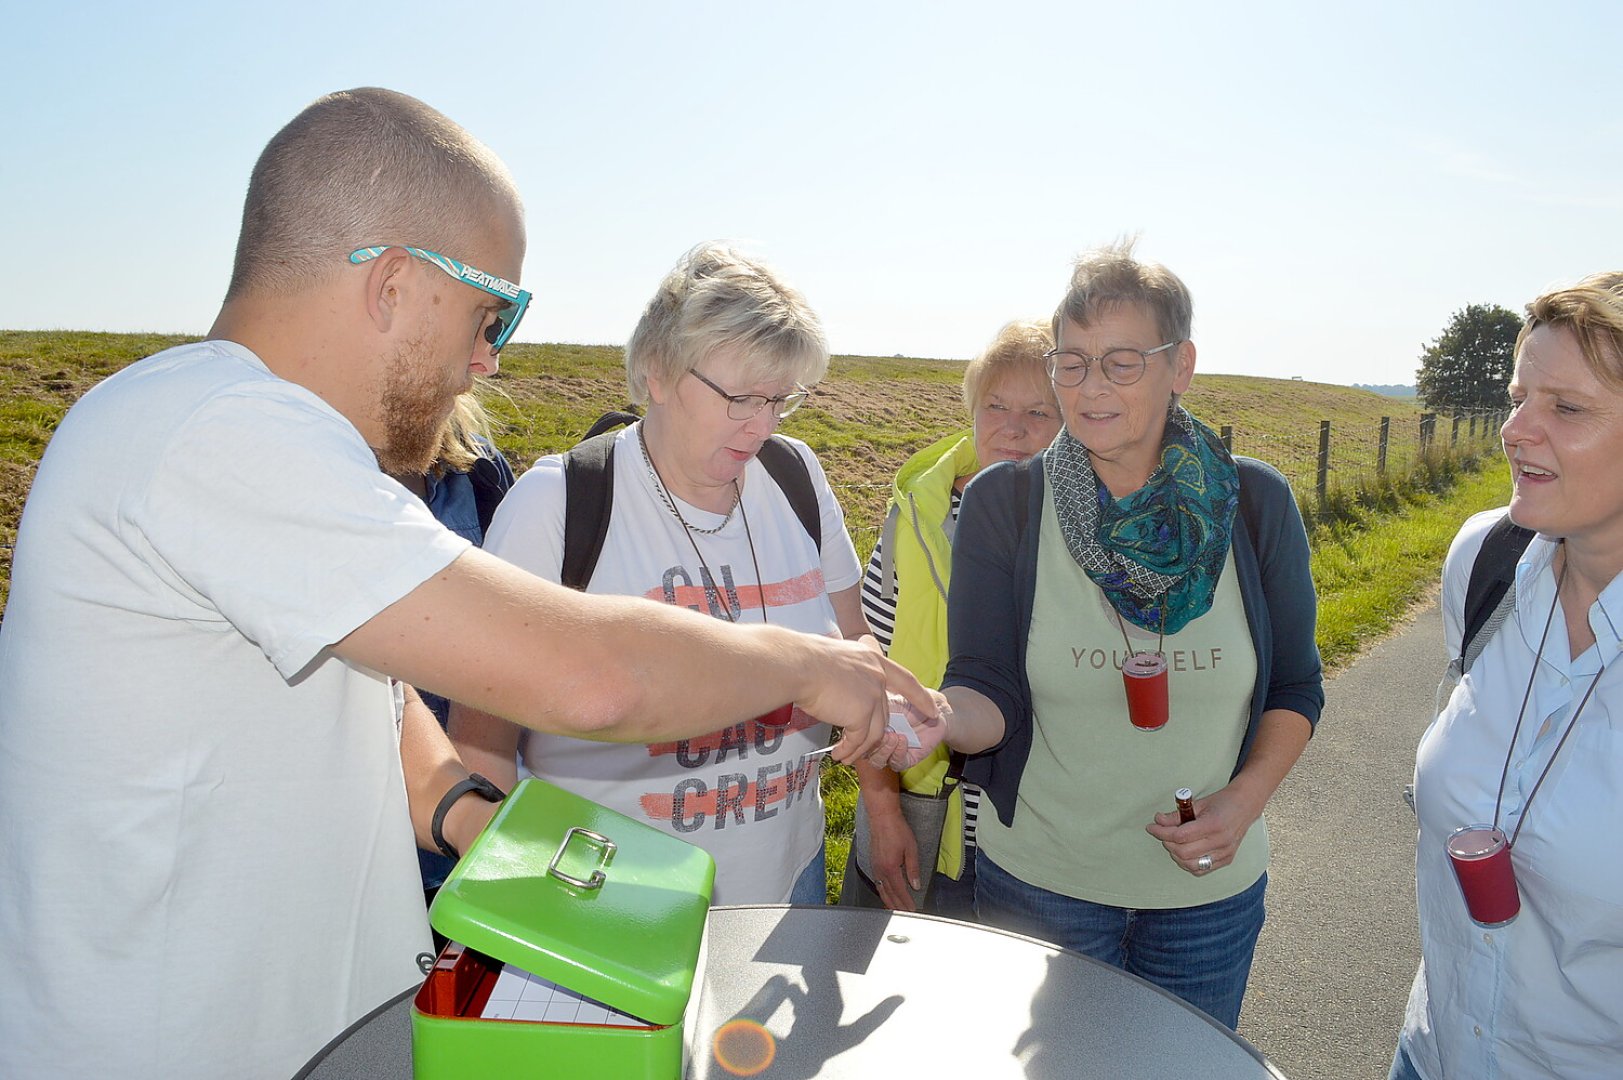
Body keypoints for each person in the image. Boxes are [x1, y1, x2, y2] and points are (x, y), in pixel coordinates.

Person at [0, 88, 931, 1080]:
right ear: (395, 283)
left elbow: (371, 689)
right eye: (493, 311)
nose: (487, 359)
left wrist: (469, 817)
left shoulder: (248, 441)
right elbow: (590, 677)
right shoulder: (224, 433)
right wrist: (811, 666)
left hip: (306, 1035)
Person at [905, 240, 1323, 1029]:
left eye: (1121, 363)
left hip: (1205, 897)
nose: (1089, 389)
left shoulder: (1255, 504)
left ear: (1181, 366)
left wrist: (1245, 798)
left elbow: (1295, 685)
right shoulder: (1008, 504)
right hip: (1040, 888)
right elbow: (984, 685)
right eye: (1072, 363)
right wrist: (931, 716)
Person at [452, 242, 867, 905]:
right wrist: (523, 897)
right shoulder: (557, 505)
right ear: (657, 371)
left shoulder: (796, 478)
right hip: (610, 905)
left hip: (788, 884)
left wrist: (883, 751)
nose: (760, 425)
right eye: (738, 397)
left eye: (779, 399)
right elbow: (482, 738)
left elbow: (853, 647)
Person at [1391, 272, 1623, 1080]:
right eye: (1518, 396)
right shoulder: (1484, 561)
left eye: (1565, 408)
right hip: (1430, 1055)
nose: (1514, 429)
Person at [842, 319, 1063, 917]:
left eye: (1040, 414)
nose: (1012, 428)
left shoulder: (1091, 535)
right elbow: (865, 674)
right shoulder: (914, 520)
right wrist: (884, 813)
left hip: (1040, 836)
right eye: (995, 405)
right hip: (922, 814)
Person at [384, 391, 516, 899]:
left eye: (498, 330)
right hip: (374, 815)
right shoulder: (315, 473)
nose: (490, 364)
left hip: (466, 799)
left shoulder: (476, 467)